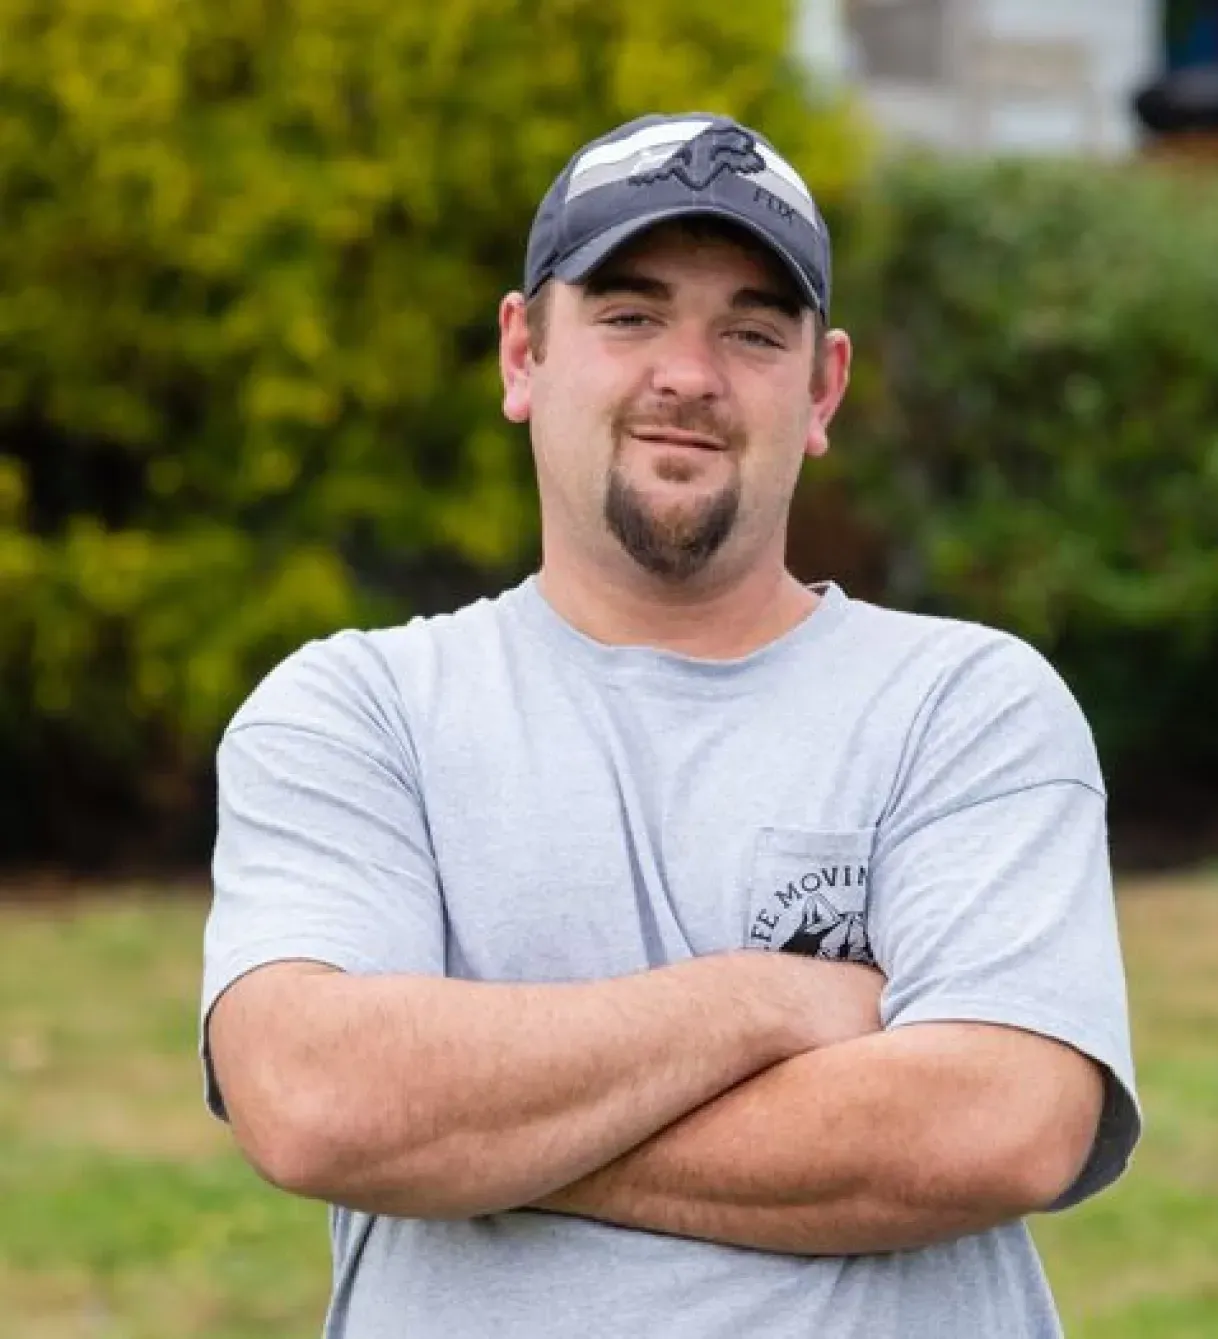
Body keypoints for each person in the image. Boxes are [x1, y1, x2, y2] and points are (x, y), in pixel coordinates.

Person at [201, 112, 1141, 1338]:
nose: (688, 376)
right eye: (629, 314)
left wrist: (469, 1141)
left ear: (822, 389)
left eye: (751, 332)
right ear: (522, 354)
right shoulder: (356, 712)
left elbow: (1001, 1123)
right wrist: (764, 1003)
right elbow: (315, 1098)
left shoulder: (964, 706)